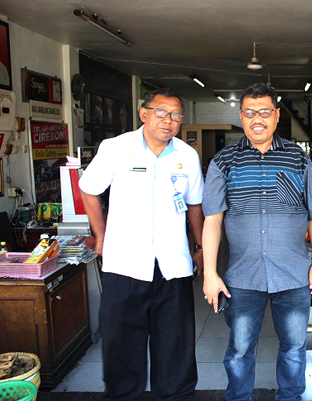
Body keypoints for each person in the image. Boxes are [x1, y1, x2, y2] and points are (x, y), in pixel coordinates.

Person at [202, 83, 312, 400]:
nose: (256, 119)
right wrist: (209, 273)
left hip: (293, 274)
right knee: (240, 350)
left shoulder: (298, 159)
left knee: (294, 348)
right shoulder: (224, 161)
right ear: (241, 116)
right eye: (249, 112)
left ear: (275, 115)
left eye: (264, 112)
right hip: (243, 277)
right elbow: (212, 220)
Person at [79, 87, 204, 401]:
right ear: (144, 113)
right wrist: (101, 235)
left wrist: (201, 249)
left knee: (176, 349)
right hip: (125, 265)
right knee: (122, 349)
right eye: (162, 112)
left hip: (173, 268)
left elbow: (195, 207)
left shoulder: (187, 155)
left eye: (176, 115)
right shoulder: (116, 148)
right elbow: (89, 189)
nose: (169, 120)